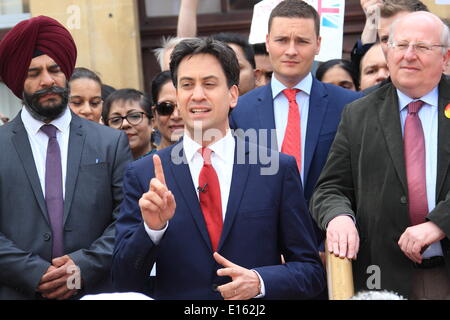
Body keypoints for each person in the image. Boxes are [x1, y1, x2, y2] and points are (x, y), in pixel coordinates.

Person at [112, 37, 325, 299]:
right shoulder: (144, 174)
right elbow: (122, 278)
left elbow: (311, 271)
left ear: (232, 94)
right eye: (187, 85)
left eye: (209, 84)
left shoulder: (276, 169)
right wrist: (152, 230)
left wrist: (260, 282)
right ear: (177, 96)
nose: (197, 95)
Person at [311, 11, 450, 299]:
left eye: (422, 47)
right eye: (400, 45)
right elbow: (330, 188)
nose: (408, 55)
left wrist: (440, 222)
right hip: (382, 276)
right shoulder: (358, 113)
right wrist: (338, 217)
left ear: (446, 59)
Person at [0, 16, 132, 299]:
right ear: (17, 81)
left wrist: (81, 267)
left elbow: (127, 218)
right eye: (33, 73)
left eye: (54, 69)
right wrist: (35, 273)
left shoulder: (110, 142)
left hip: (95, 290)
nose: (47, 80)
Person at [230, 0, 361, 206]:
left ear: (318, 44)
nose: (291, 50)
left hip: (329, 231)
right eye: (281, 40)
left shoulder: (349, 105)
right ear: (267, 42)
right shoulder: (239, 111)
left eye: (301, 41)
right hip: (262, 233)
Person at [102, 89, 155, 160]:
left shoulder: (167, 164)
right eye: (116, 120)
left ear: (152, 123)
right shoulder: (101, 169)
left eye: (134, 116)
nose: (125, 124)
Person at [151, 71, 184, 150]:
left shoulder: (215, 161)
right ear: (154, 115)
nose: (176, 116)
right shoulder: (145, 162)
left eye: (183, 107)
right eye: (165, 108)